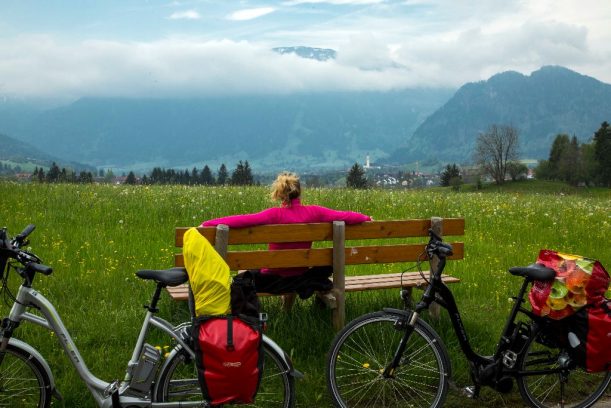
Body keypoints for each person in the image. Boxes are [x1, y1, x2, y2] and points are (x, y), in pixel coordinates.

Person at [201, 171, 371, 299]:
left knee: (244, 274)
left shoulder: (274, 215)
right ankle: (288, 309)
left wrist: (208, 224)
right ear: (299, 192)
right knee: (302, 268)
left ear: (280, 194)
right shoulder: (315, 212)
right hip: (300, 274)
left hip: (273, 277)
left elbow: (243, 220)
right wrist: (365, 218)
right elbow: (343, 216)